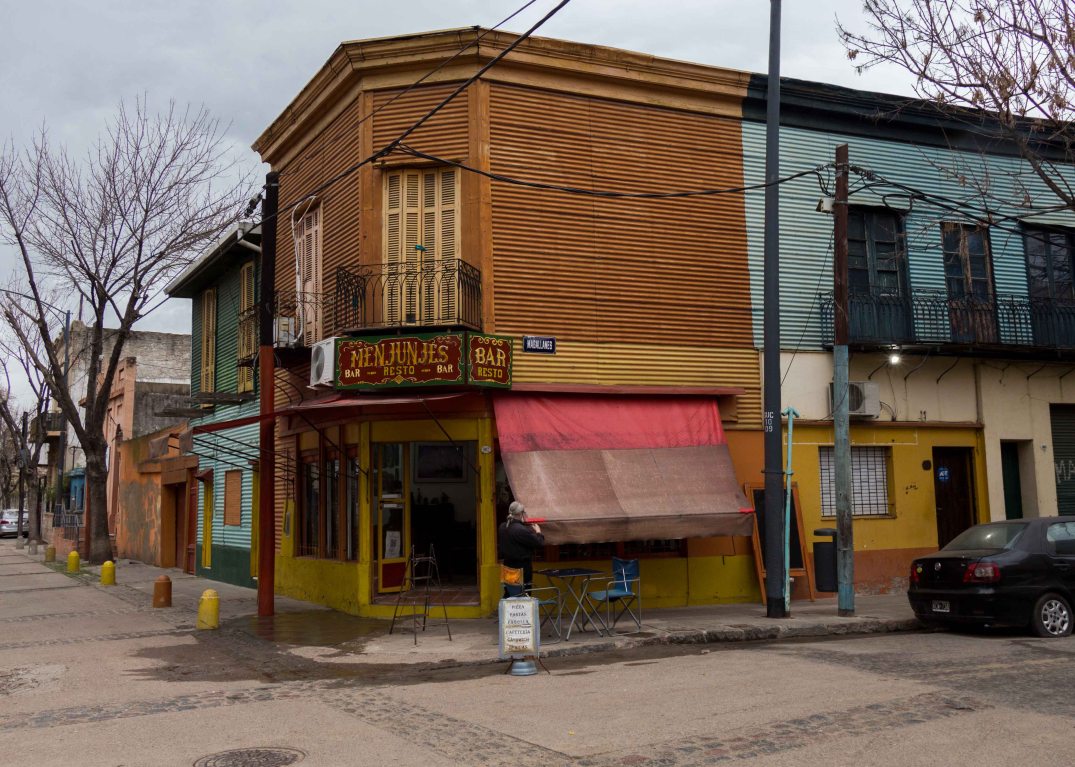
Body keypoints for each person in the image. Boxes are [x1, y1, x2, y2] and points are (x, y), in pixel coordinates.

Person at [498, 501, 545, 593]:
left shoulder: (502, 527)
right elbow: (539, 543)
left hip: (507, 566)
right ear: (521, 514)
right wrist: (538, 532)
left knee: (509, 593)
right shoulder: (520, 530)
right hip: (521, 568)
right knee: (523, 595)